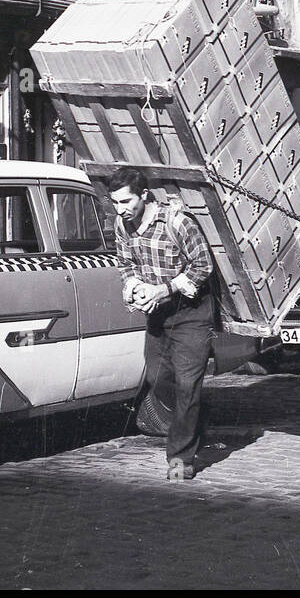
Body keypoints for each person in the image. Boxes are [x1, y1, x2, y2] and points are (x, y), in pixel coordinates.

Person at [108, 165, 214, 482]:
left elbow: (203, 264)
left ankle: (180, 458)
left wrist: (164, 289)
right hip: (158, 316)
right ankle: (194, 418)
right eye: (115, 202)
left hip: (191, 313)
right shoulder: (122, 224)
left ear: (144, 195)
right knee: (158, 380)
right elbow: (125, 262)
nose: (120, 209)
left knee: (187, 384)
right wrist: (132, 287)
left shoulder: (177, 221)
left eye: (126, 202)